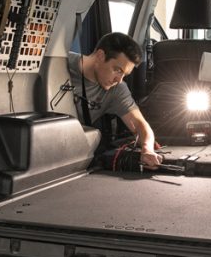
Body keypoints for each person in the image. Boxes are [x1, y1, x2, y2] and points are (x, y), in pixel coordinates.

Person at [69, 32, 163, 170]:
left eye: (124, 74)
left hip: (72, 157)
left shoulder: (116, 90)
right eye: (117, 70)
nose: (119, 80)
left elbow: (140, 124)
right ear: (100, 56)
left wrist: (147, 149)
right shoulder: (56, 64)